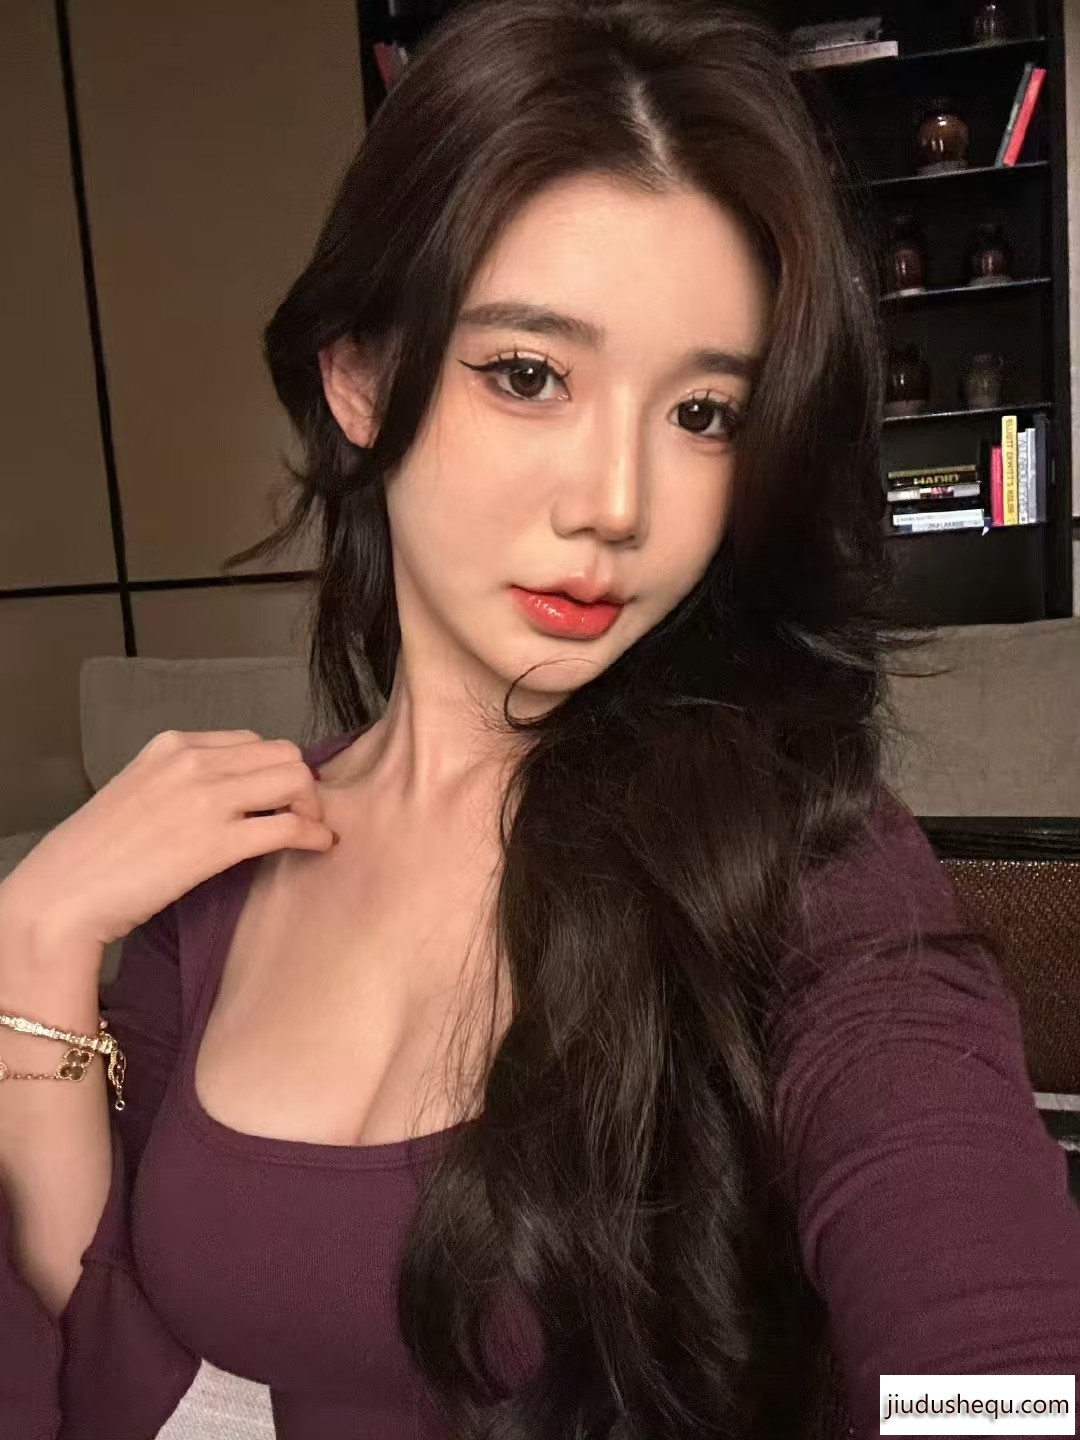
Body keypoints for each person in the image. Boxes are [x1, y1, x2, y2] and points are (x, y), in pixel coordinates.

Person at [1, 0, 1077, 1437]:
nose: (616, 504)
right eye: (530, 376)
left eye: (704, 414)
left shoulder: (803, 861)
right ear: (362, 377)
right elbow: (119, 1357)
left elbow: (996, 1354)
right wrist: (33, 946)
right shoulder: (218, 864)